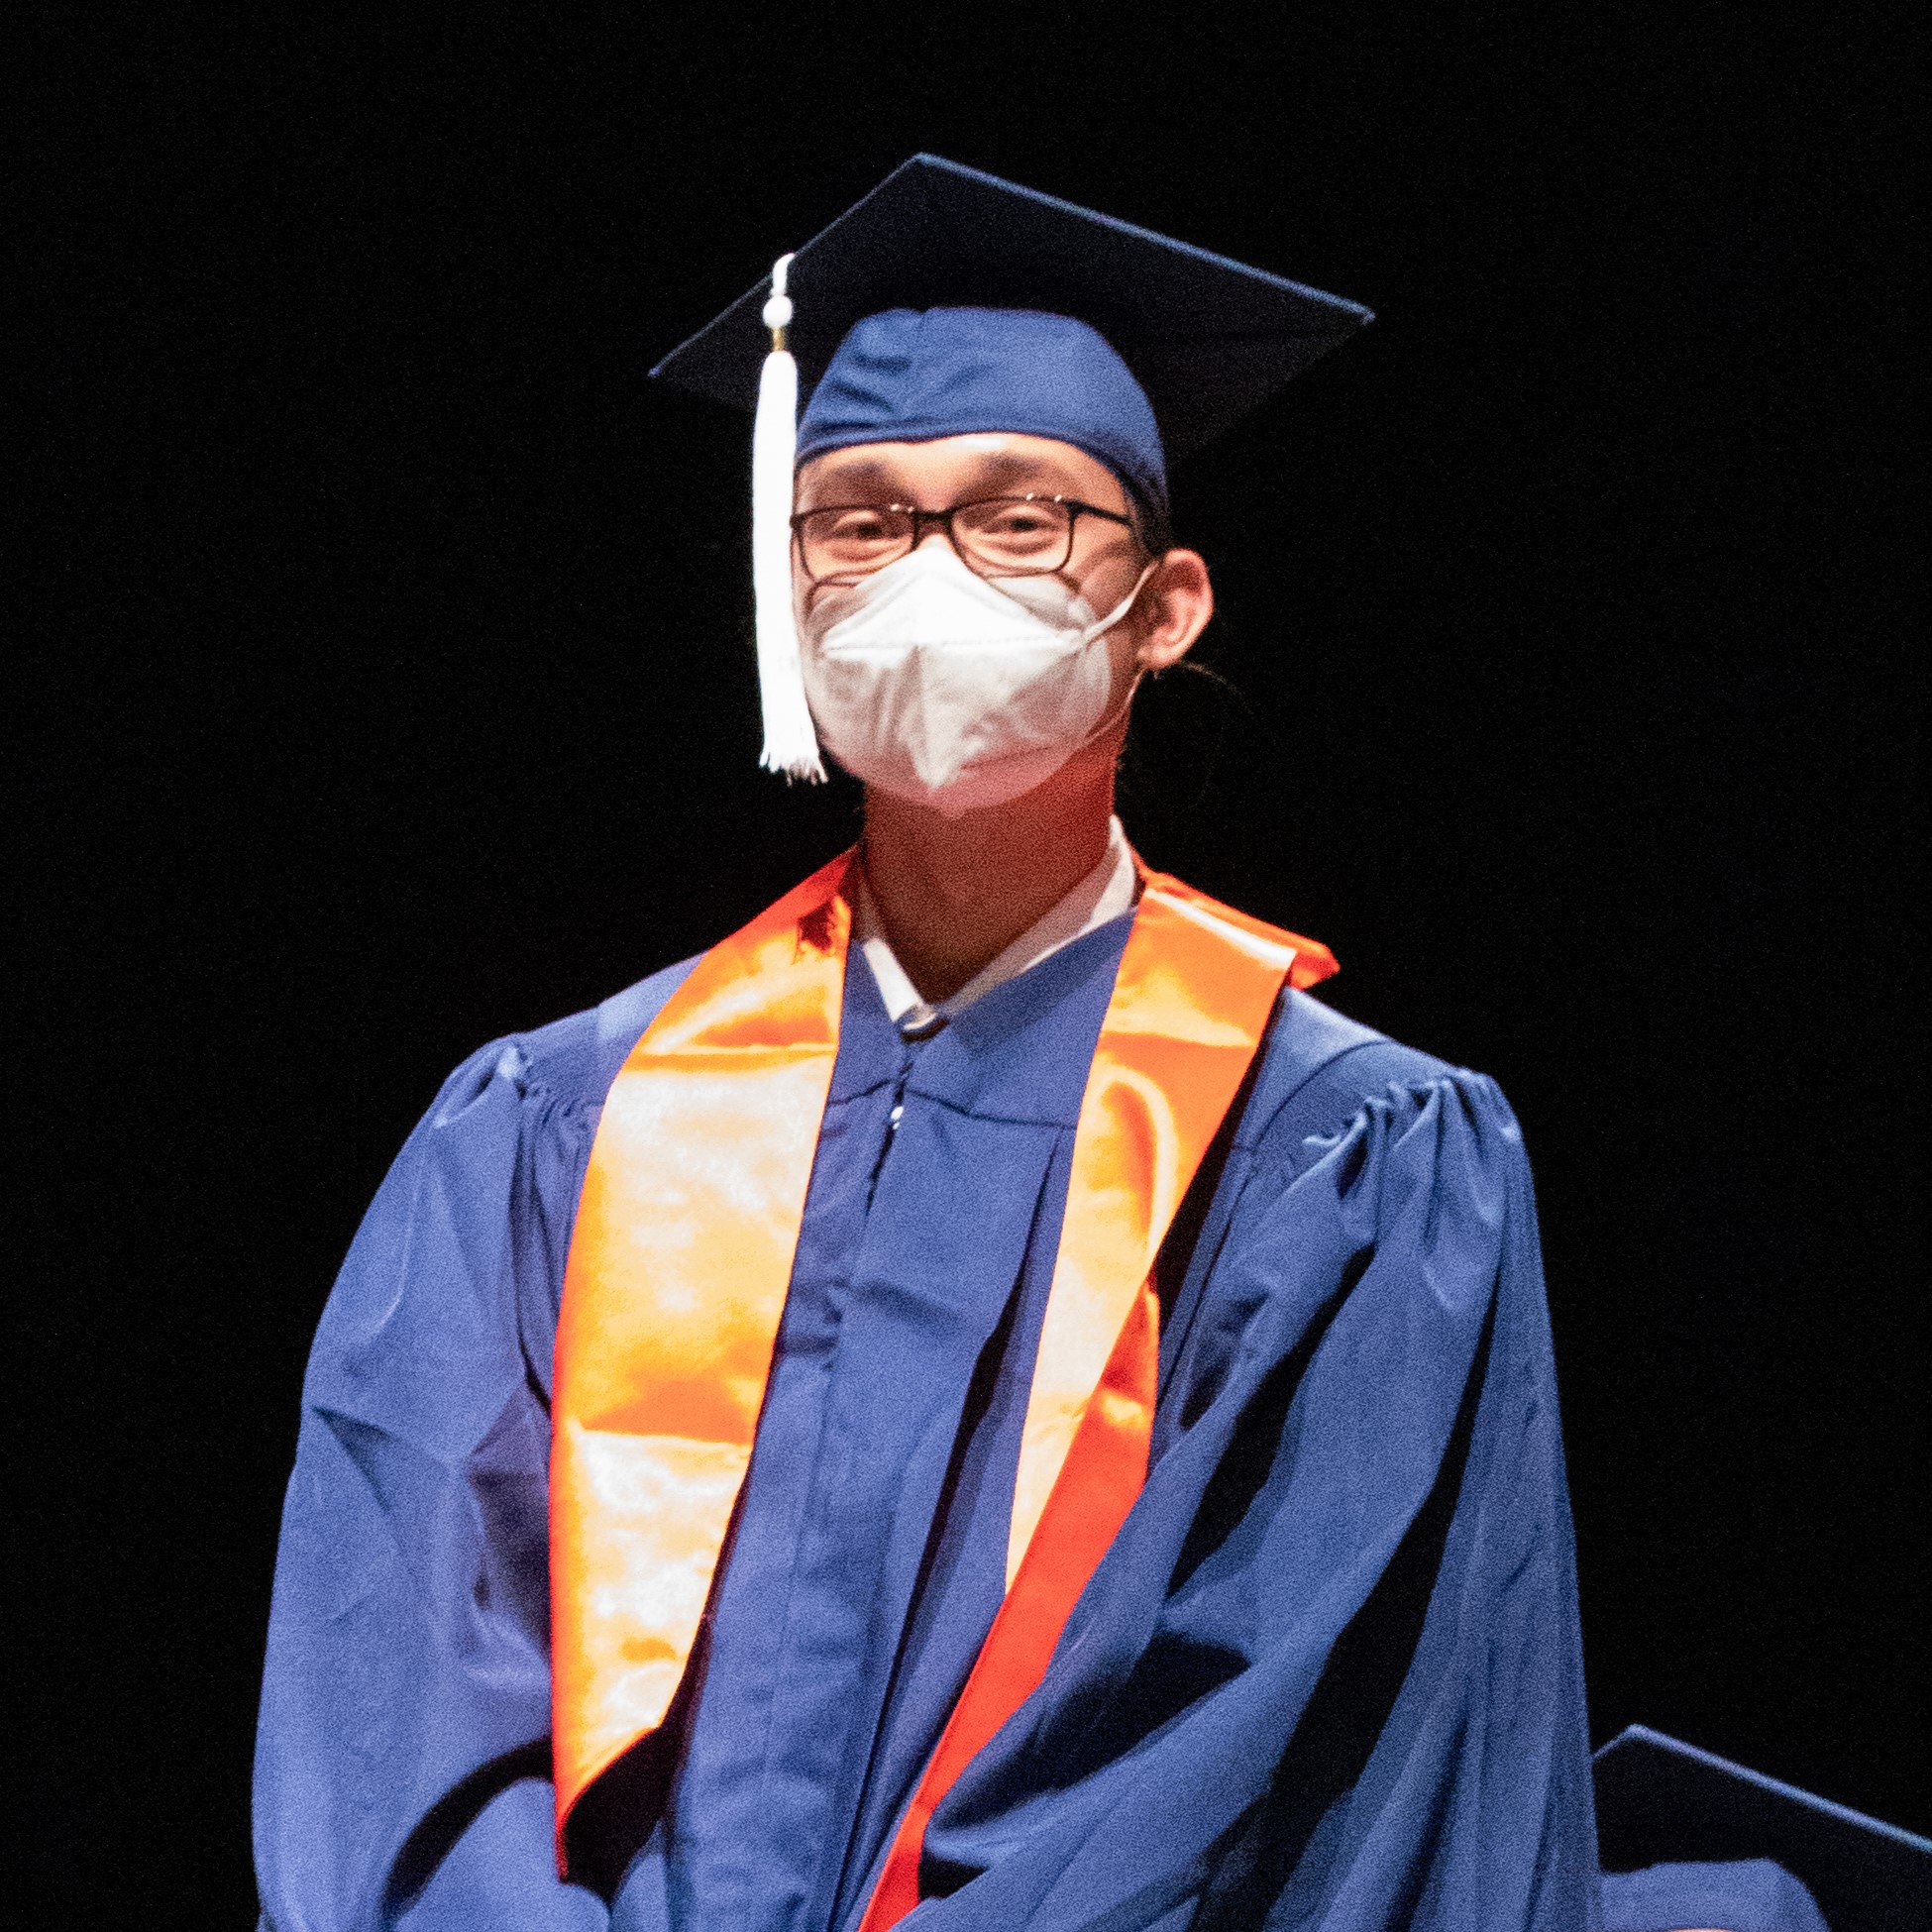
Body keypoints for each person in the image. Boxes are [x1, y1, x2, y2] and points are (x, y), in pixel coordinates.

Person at [254, 157, 1810, 1932]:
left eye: (1020, 518)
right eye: (857, 518)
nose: (926, 572)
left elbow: (1248, 1765)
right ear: (786, 588)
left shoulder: (1339, 1154)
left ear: (1164, 606)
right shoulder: (554, 1122)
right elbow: (397, 1693)